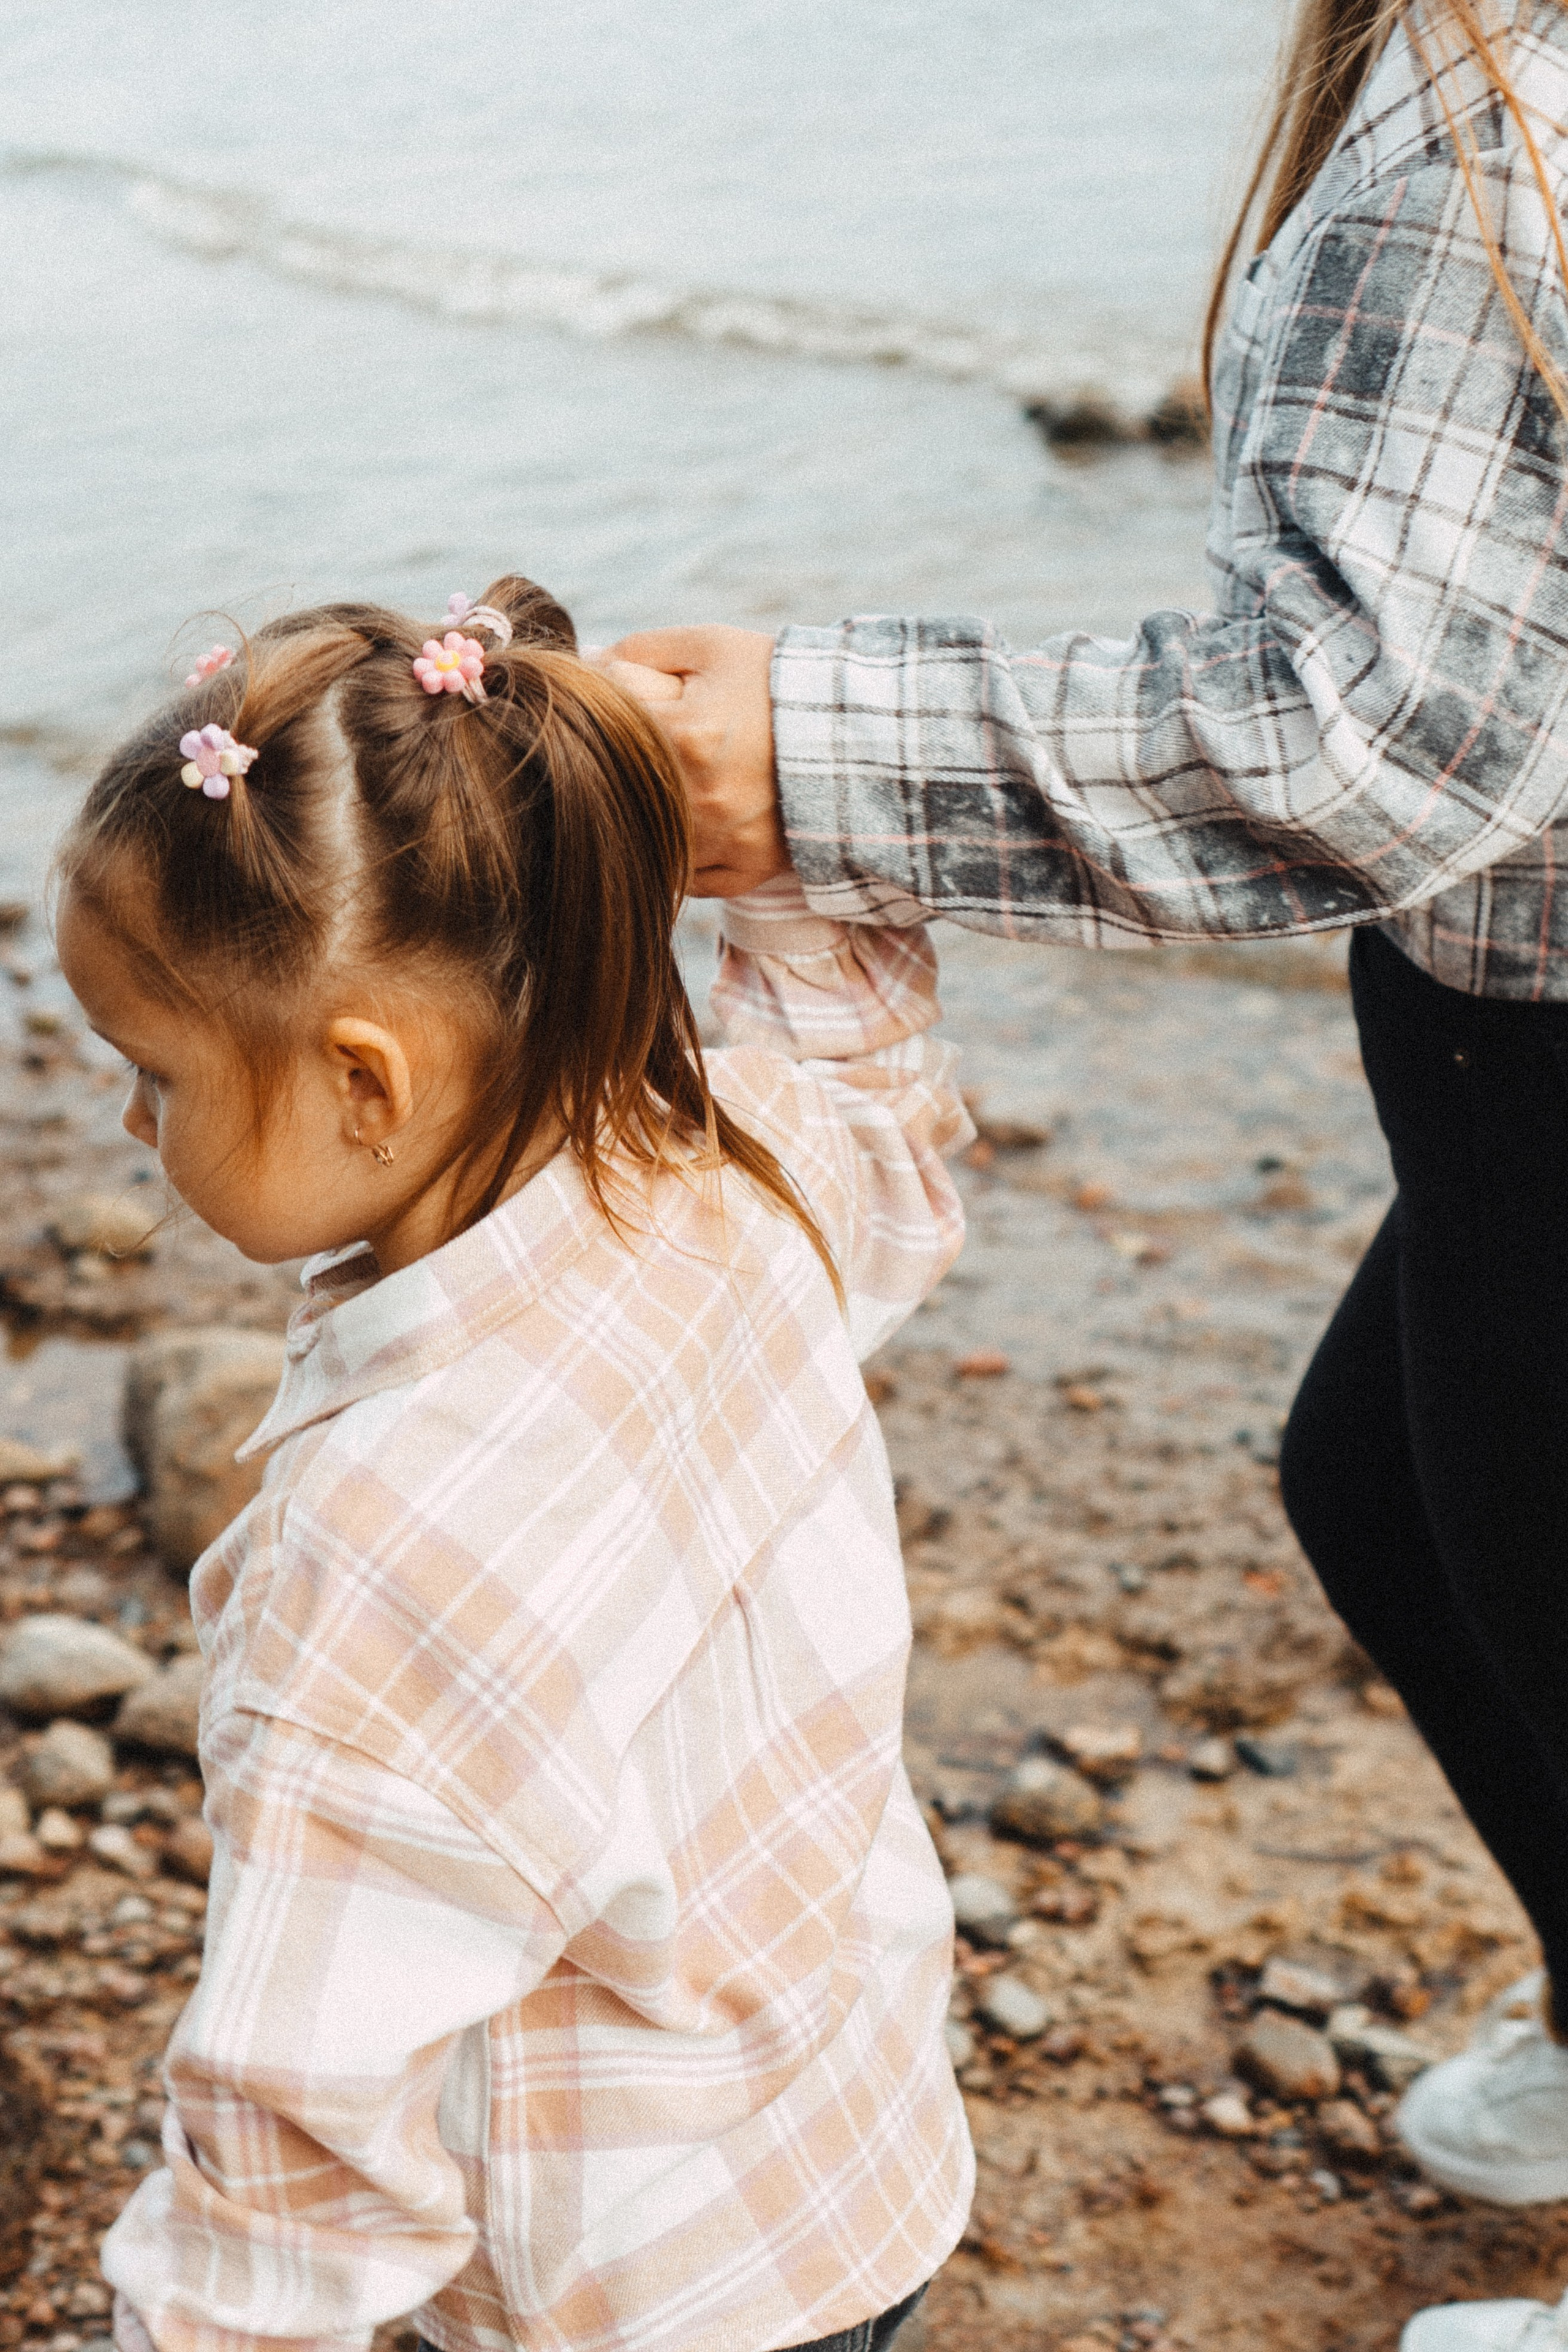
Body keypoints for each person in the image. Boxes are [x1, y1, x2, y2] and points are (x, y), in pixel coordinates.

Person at [597, 6, 1568, 2347]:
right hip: (1497, 1021)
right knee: (1384, 1488)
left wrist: (803, 758)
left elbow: (1355, 740)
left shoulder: (1498, 112)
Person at [56, 578, 976, 2352]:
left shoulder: (382, 1539)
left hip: (620, 2295)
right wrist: (766, 854)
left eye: (152, 1075)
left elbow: (299, 2133)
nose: (124, 1122)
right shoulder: (740, 1172)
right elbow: (876, 1095)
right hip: (851, 2167)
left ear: (368, 1086)